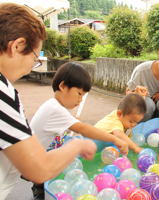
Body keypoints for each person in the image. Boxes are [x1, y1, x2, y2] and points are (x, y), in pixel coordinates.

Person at [0, 3, 97, 199]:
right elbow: (38, 170)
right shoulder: (3, 94)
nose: (31, 67)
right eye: (35, 57)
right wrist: (77, 145)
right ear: (17, 46)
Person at [29, 62, 129, 199]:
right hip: (34, 162)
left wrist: (71, 120)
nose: (80, 100)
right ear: (63, 86)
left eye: (83, 96)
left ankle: (39, 188)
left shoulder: (55, 107)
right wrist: (114, 139)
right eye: (79, 94)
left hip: (41, 157)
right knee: (42, 187)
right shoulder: (55, 109)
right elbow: (83, 129)